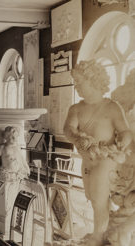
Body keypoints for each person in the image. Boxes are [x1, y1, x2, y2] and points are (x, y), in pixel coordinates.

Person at [63, 60, 132, 246]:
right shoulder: (76, 108)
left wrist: (122, 142)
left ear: (93, 80)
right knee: (93, 197)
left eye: (79, 82)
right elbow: (68, 129)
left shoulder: (111, 107)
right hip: (88, 159)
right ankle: (105, 232)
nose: (76, 86)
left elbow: (125, 131)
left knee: (99, 196)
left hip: (106, 158)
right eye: (75, 83)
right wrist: (77, 137)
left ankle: (98, 236)